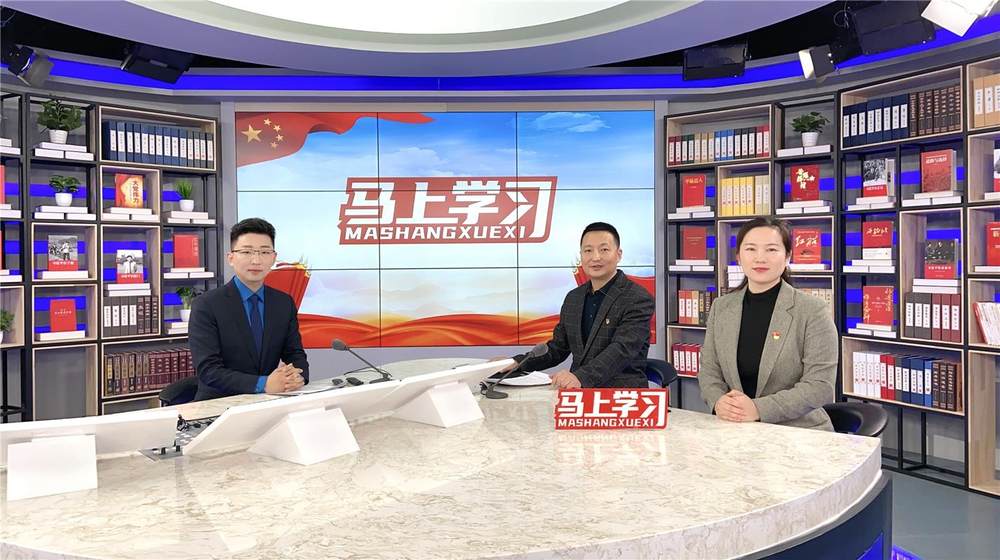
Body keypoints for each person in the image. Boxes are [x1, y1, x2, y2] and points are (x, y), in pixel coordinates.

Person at [698, 217, 837, 431]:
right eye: (751, 249)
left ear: (787, 256)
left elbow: (820, 386)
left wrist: (758, 409)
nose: (760, 258)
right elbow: (709, 370)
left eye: (771, 250)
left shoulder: (812, 310)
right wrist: (718, 401)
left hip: (798, 432)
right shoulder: (721, 307)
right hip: (735, 429)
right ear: (738, 256)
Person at [496, 222, 654, 388]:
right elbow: (558, 348)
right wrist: (518, 363)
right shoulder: (574, 298)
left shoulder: (637, 298)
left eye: (604, 249)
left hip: (621, 394)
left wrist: (581, 377)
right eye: (588, 250)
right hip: (578, 393)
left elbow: (622, 349)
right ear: (581, 255)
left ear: (618, 255)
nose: (595, 257)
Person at [189, 217, 309, 400]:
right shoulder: (206, 305)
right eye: (247, 252)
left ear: (274, 258)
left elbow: (295, 353)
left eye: (264, 252)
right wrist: (263, 384)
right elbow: (209, 370)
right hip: (219, 404)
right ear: (231, 258)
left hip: (270, 401)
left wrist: (297, 377)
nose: (256, 260)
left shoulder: (284, 303)